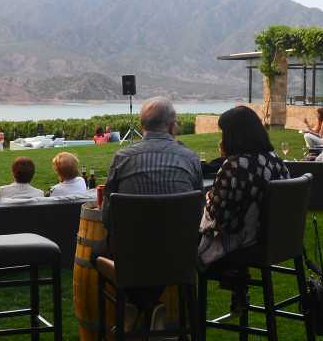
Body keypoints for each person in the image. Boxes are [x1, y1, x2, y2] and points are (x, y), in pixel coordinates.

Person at [100, 97, 203, 323]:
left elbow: (108, 219)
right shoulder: (190, 158)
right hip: (179, 256)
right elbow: (198, 213)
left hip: (132, 255)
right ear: (172, 124)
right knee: (159, 252)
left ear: (141, 125)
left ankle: (138, 305)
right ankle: (149, 306)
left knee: (96, 253)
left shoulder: (122, 158)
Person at [199, 106, 289, 315]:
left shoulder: (234, 165)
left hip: (246, 245)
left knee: (188, 247)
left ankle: (178, 319)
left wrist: (209, 198)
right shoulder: (276, 161)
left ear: (233, 136)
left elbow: (221, 218)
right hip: (275, 241)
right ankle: (237, 281)